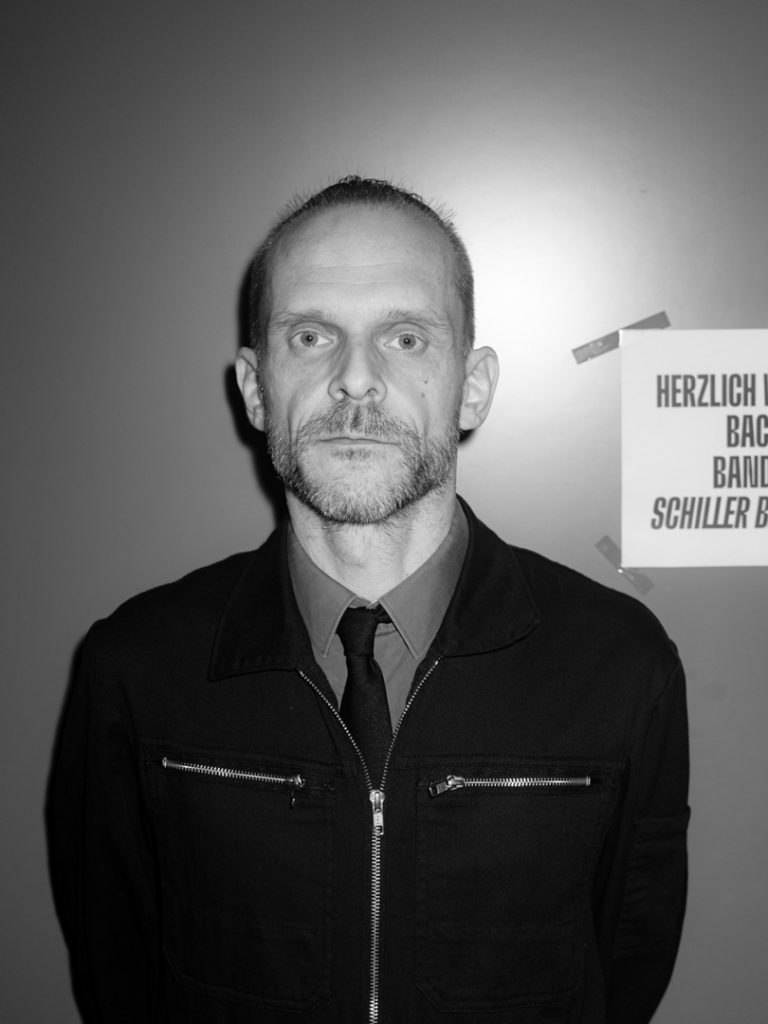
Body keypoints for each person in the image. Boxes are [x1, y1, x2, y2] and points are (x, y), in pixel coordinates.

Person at [49, 176, 689, 1024]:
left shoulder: (619, 667)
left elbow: (622, 972)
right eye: (311, 336)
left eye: (406, 338)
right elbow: (117, 971)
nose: (355, 379)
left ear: (472, 386)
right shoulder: (137, 668)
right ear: (254, 387)